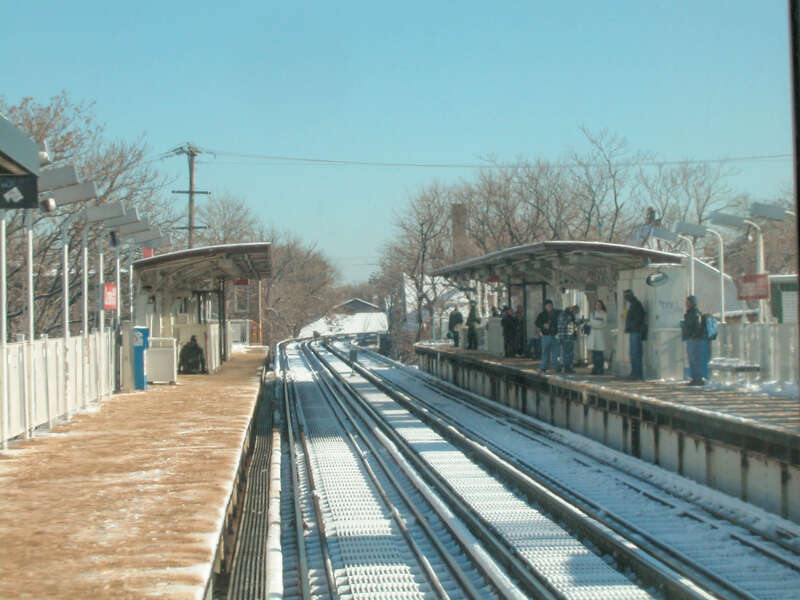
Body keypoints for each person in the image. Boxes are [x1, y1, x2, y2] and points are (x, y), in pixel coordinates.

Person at [682, 295, 706, 386]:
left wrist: (693, 335)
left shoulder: (695, 313)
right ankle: (694, 378)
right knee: (692, 359)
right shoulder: (689, 313)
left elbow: (697, 326)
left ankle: (698, 378)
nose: (687, 304)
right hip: (691, 338)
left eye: (688, 302)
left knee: (696, 359)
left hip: (695, 339)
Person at [623, 289, 646, 379]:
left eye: (626, 296)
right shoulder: (633, 305)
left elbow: (639, 318)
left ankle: (637, 373)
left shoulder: (636, 305)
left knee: (635, 353)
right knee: (633, 353)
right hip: (633, 331)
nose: (625, 298)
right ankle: (635, 372)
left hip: (636, 331)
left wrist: (631, 325)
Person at [535, 300, 560, 372]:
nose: (549, 307)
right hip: (545, 335)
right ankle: (544, 367)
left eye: (550, 305)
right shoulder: (542, 314)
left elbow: (560, 322)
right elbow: (537, 323)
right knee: (545, 352)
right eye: (548, 305)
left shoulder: (557, 313)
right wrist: (543, 325)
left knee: (556, 353)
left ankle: (557, 367)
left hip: (555, 335)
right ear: (545, 306)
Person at [587, 299, 608, 374]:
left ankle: (600, 368)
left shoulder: (604, 314)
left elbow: (603, 323)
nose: (598, 306)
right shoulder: (592, 313)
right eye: (597, 305)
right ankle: (595, 367)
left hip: (600, 334)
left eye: (599, 305)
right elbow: (591, 322)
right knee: (594, 353)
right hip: (593, 334)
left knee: (599, 352)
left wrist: (595, 323)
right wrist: (597, 322)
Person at [557, 305, 578, 373]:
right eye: (575, 312)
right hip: (565, 337)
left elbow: (573, 326)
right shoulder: (564, 314)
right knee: (566, 353)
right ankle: (566, 367)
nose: (575, 313)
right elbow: (564, 324)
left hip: (570, 337)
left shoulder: (571, 316)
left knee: (570, 353)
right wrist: (573, 321)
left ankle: (569, 367)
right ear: (572, 310)